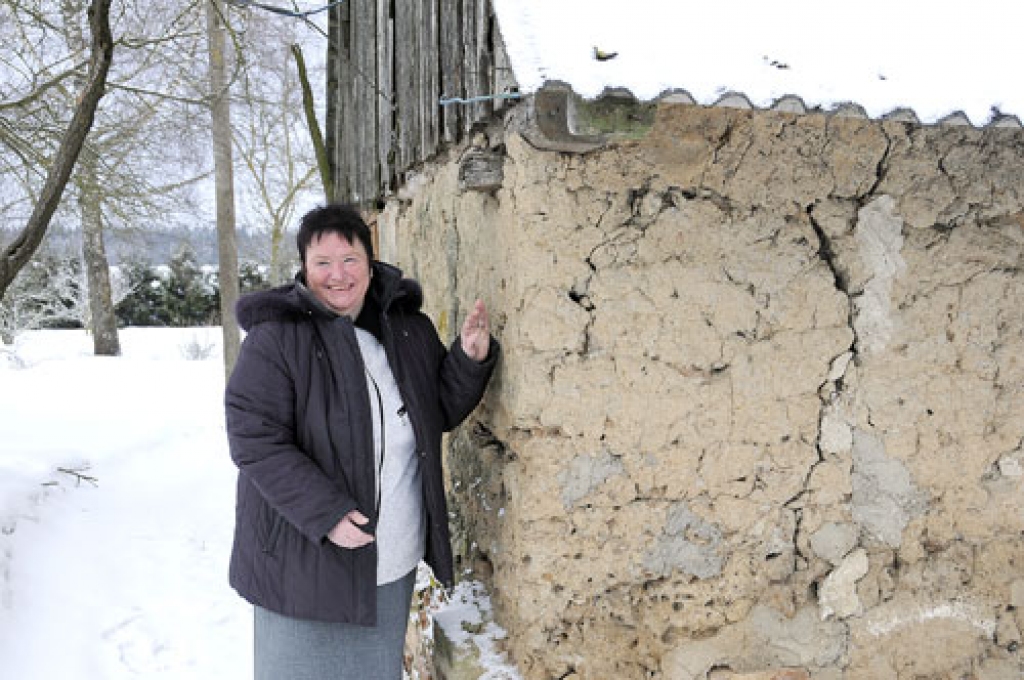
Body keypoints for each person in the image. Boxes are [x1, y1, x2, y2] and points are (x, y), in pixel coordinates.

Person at [224, 203, 499, 680]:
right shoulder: (275, 340)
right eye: (322, 262)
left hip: (389, 554)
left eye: (349, 259)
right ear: (304, 270)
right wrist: (324, 511)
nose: (337, 275)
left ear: (370, 265)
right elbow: (254, 438)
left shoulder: (406, 328)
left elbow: (432, 412)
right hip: (304, 559)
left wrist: (469, 360)